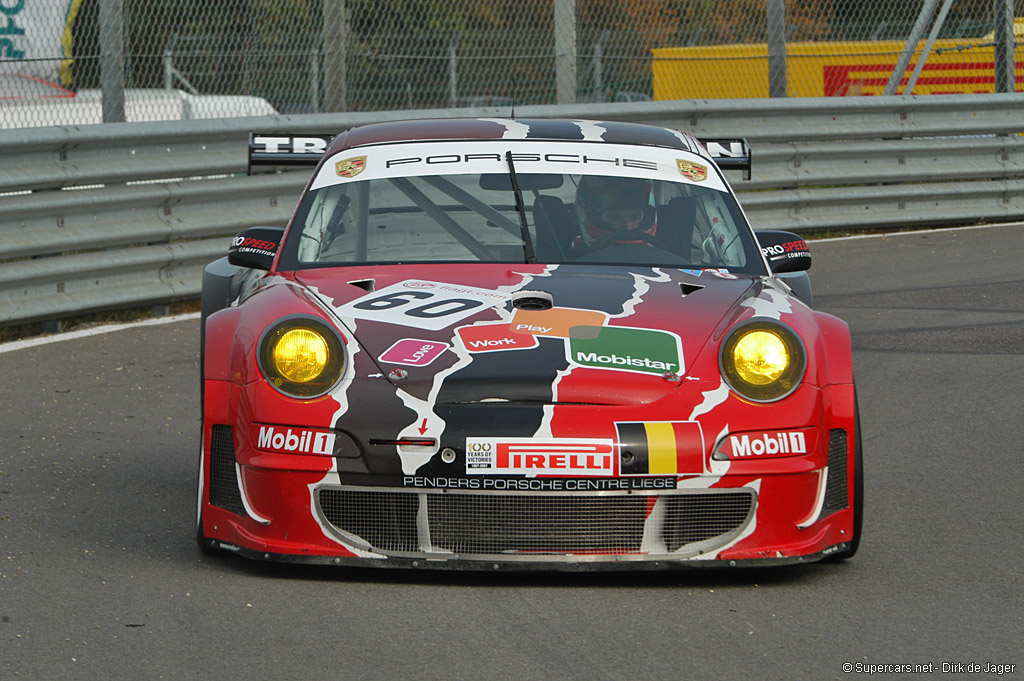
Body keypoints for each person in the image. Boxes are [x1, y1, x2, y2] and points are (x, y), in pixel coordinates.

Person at [571, 176, 657, 254]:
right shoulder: (574, 259)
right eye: (615, 217)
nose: (627, 227)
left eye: (635, 217)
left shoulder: (664, 257)